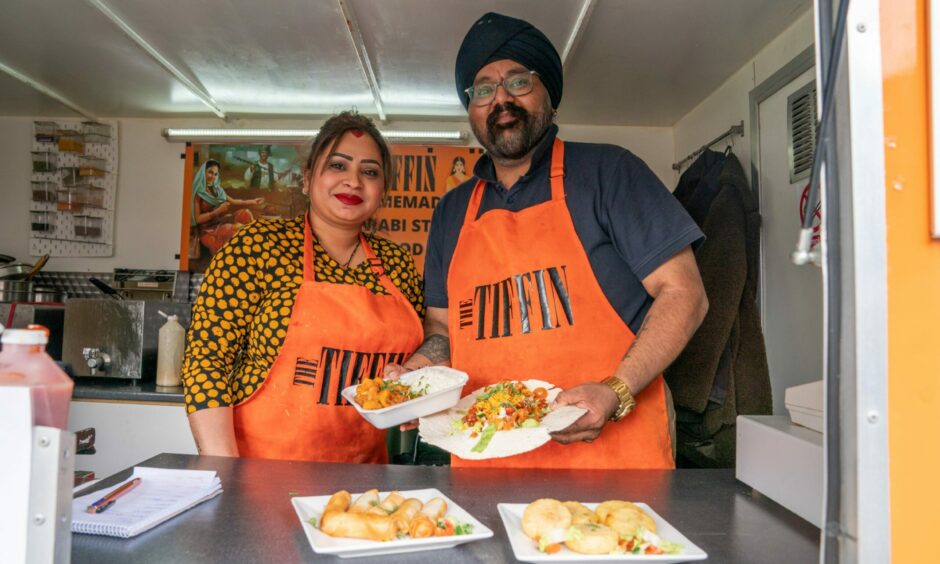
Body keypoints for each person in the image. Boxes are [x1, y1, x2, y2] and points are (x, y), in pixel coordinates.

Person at [388, 12, 708, 470]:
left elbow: (685, 293)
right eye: (483, 88)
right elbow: (442, 329)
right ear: (473, 109)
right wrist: (420, 376)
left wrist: (615, 391)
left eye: (518, 80)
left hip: (612, 465)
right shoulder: (451, 212)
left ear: (549, 98)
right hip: (487, 465)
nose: (500, 98)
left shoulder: (610, 173)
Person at [182, 112, 425, 463]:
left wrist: (414, 392)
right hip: (259, 474)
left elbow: (418, 365)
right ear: (307, 178)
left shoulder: (397, 264)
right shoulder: (257, 246)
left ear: (382, 190)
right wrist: (224, 468)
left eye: (369, 172)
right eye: (338, 166)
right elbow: (206, 360)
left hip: (363, 480)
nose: (353, 181)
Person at [190, 159, 264, 256]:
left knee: (245, 213)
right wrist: (217, 211)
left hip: (219, 223)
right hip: (207, 231)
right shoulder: (198, 193)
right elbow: (198, 219)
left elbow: (233, 201)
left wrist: (253, 201)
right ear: (203, 172)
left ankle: (251, 249)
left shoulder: (217, 189)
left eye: (216, 174)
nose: (213, 176)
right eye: (210, 172)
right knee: (232, 228)